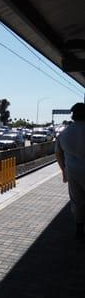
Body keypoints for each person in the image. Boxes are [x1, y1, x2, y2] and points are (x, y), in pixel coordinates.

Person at [55, 102, 85, 238]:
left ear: (73, 116)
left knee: (76, 200)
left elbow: (58, 153)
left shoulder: (64, 133)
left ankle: (79, 228)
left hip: (72, 171)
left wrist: (63, 171)